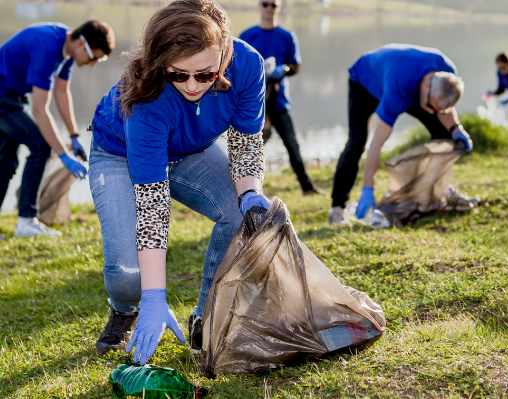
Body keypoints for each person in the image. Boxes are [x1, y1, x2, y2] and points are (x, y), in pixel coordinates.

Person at [89, 0, 269, 364]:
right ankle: (125, 308)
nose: (191, 86)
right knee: (128, 275)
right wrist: (154, 295)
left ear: (225, 53)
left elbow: (245, 143)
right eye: (178, 75)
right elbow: (153, 208)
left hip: (191, 151)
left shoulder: (248, 65)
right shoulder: (146, 99)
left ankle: (206, 315)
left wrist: (250, 192)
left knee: (239, 215)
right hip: (119, 154)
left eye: (205, 75)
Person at [328, 43, 476, 226]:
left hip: (408, 84)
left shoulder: (447, 75)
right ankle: (337, 208)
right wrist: (368, 190)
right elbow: (377, 144)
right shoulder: (398, 89)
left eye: (435, 109)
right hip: (364, 82)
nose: (431, 113)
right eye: (430, 107)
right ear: (425, 85)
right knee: (357, 143)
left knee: (443, 134)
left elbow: (443, 110)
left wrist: (456, 129)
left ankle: (439, 192)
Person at [0, 20, 114, 238]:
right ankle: (26, 221)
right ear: (82, 43)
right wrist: (63, 155)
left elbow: (62, 91)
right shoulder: (47, 48)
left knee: (5, 162)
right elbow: (40, 110)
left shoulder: (66, 48)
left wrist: (73, 135)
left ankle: (25, 220)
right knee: (40, 145)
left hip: (11, 95)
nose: (93, 64)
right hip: (4, 97)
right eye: (94, 58)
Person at [239, 0, 322, 195]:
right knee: (249, 148)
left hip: (279, 101)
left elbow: (295, 67)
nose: (269, 8)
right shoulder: (247, 35)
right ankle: (241, 189)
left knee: (292, 145)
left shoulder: (287, 36)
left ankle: (307, 187)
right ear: (259, 6)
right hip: (254, 103)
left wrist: (280, 70)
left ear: (279, 7)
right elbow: (237, 68)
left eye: (273, 5)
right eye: (265, 4)